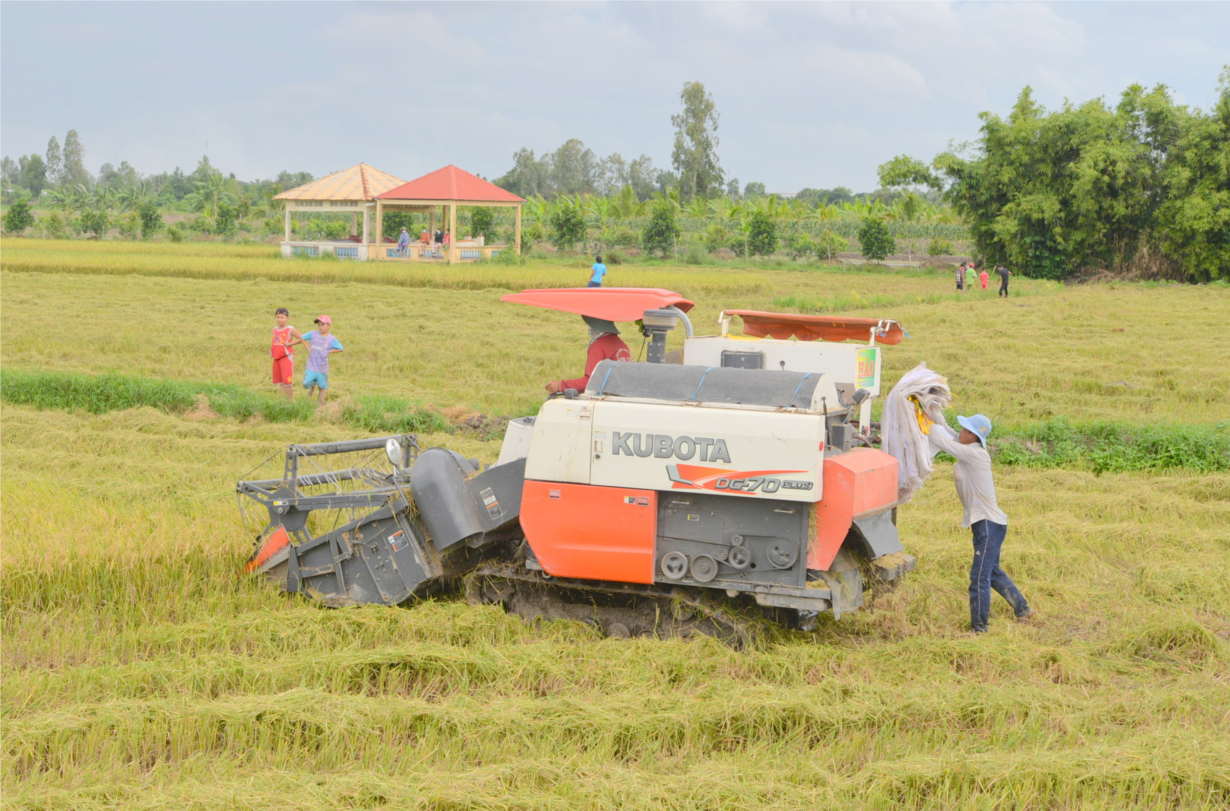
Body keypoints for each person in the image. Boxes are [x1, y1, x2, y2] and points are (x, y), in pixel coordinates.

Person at [926, 409, 1033, 633]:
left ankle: (979, 630)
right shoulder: (970, 449)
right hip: (989, 523)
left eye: (965, 429)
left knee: (979, 578)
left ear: (973, 436)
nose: (961, 432)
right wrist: (939, 419)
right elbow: (952, 436)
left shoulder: (974, 455)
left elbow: (941, 440)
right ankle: (1023, 610)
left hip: (988, 524)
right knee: (992, 572)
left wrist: (919, 420)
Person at [545, 316, 631, 395]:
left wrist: (560, 385)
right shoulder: (622, 345)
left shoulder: (598, 346)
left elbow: (591, 382)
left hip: (608, 398)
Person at [292, 315, 344, 406]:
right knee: (305, 383)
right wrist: (305, 346)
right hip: (311, 365)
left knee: (322, 386)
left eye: (323, 325)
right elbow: (301, 337)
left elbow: (340, 348)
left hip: (322, 367)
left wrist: (330, 351)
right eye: (319, 325)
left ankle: (321, 404)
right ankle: (312, 386)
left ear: (329, 325)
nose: (320, 327)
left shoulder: (331, 339)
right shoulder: (313, 334)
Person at [270, 307, 303, 401]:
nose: (279, 319)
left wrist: (290, 344)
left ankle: (290, 401)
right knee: (281, 382)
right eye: (277, 317)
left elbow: (302, 338)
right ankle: (283, 400)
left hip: (286, 357)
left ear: (287, 318)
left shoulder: (290, 329)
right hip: (277, 357)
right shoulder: (275, 329)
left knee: (287, 382)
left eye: (282, 317)